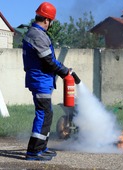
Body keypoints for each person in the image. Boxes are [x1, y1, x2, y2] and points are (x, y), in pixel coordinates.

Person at [22, 2, 70, 161]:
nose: (50, 24)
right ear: (47, 20)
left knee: (47, 113)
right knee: (43, 114)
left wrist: (64, 71)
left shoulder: (36, 33)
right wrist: (64, 71)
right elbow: (48, 60)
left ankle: (42, 147)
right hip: (40, 80)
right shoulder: (37, 34)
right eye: (51, 21)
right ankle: (33, 152)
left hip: (42, 79)